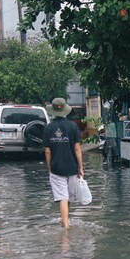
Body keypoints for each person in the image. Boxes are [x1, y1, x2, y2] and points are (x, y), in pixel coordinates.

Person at [42, 97, 84, 229]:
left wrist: (49, 166)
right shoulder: (73, 126)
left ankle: (65, 225)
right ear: (65, 110)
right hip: (72, 167)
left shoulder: (48, 128)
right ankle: (66, 221)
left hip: (56, 168)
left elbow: (47, 151)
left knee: (63, 198)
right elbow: (77, 148)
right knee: (68, 198)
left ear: (53, 111)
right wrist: (81, 167)